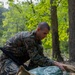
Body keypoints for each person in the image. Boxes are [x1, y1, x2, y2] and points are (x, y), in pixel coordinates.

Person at [0, 22, 65, 75]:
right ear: (38, 29)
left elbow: (41, 58)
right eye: (44, 33)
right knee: (17, 73)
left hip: (18, 62)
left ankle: (30, 71)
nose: (45, 36)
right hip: (7, 60)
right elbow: (35, 58)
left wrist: (54, 63)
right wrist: (55, 63)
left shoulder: (38, 43)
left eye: (47, 34)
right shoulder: (28, 38)